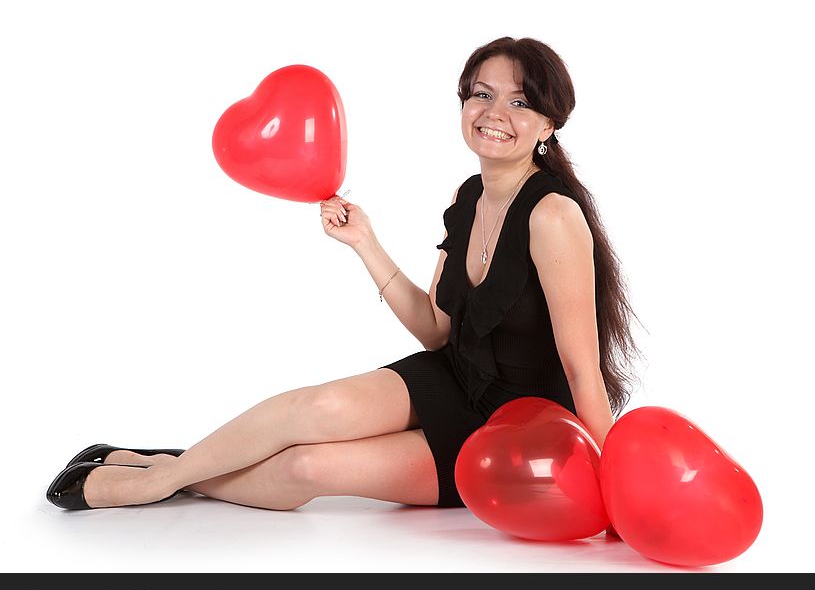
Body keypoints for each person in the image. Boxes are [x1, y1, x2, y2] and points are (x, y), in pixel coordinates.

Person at [46, 37, 640, 513]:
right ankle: (161, 475)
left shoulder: (554, 215)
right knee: (318, 409)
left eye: (519, 102)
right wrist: (364, 241)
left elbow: (581, 370)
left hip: (518, 429)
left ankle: (171, 473)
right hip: (453, 376)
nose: (494, 114)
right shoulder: (466, 198)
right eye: (481, 94)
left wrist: (615, 486)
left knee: (310, 466)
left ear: (548, 124)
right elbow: (437, 331)